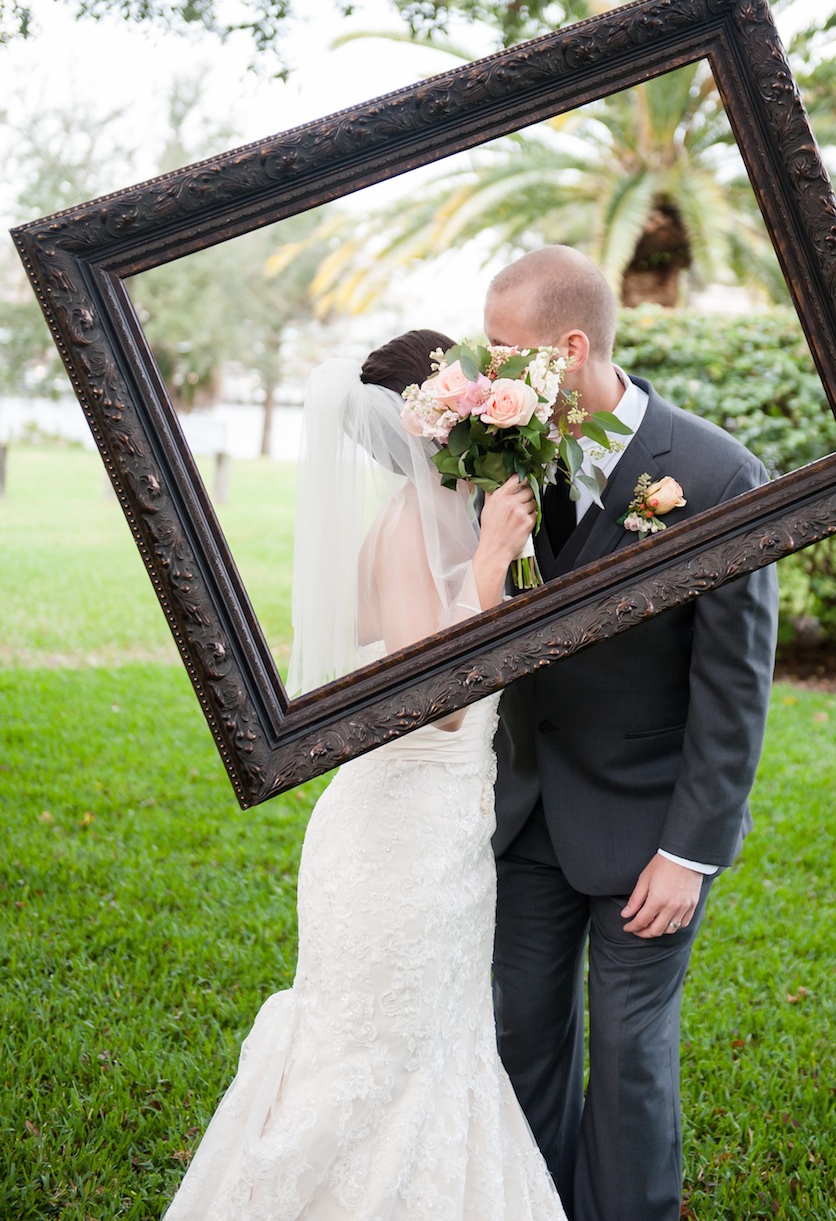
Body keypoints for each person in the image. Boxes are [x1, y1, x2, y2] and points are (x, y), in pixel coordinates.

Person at [162, 329, 568, 1221]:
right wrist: (495, 566)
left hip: (446, 835)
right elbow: (443, 702)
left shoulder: (450, 516)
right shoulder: (409, 527)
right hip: (396, 845)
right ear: (439, 424)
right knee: (378, 1054)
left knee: (433, 1048)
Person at [485, 248, 779, 1221]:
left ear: (569, 350)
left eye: (502, 351)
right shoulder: (506, 457)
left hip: (648, 830)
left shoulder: (716, 474)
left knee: (628, 1057)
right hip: (523, 817)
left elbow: (733, 694)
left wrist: (688, 854)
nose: (486, 374)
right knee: (518, 1039)